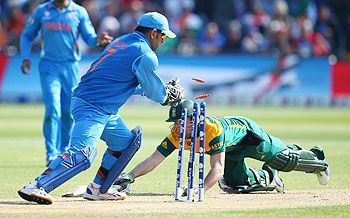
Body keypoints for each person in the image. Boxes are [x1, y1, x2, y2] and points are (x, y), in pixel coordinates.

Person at [18, 11, 182, 205]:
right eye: (163, 35)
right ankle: (37, 185)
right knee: (82, 155)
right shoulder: (145, 54)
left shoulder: (123, 41)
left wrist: (159, 92)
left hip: (100, 107)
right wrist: (166, 96)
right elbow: (157, 94)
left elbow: (121, 82)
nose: (163, 41)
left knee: (126, 143)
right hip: (92, 106)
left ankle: (97, 189)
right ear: (154, 33)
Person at [113, 99, 330, 195]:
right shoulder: (177, 135)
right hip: (230, 151)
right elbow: (153, 159)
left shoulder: (211, 129)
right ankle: (269, 177)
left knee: (285, 161)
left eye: (180, 121)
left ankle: (317, 159)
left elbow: (216, 169)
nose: (177, 127)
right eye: (175, 123)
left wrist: (200, 190)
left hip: (248, 137)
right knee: (234, 184)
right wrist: (130, 176)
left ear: (192, 119)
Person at [20, 0, 113, 166]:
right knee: (52, 108)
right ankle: (51, 153)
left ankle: (64, 150)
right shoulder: (42, 11)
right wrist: (26, 56)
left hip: (70, 67)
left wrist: (98, 39)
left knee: (68, 111)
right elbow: (27, 35)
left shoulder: (79, 12)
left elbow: (89, 38)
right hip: (49, 66)